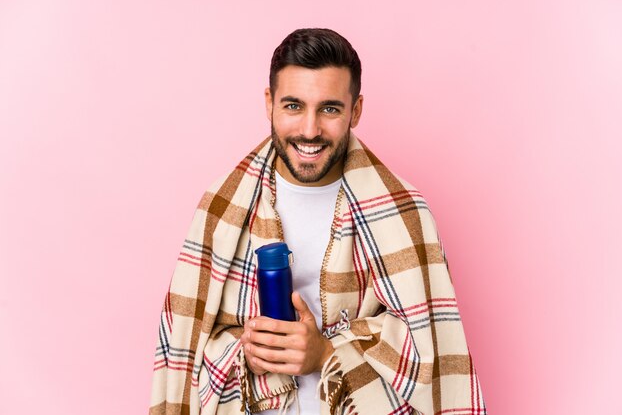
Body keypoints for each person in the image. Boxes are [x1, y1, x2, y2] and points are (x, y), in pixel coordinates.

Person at [150, 28, 486, 415]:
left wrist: (326, 352)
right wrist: (248, 349)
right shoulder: (221, 210)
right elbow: (184, 347)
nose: (310, 130)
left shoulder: (404, 212)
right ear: (269, 103)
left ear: (355, 110)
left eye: (329, 108)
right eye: (293, 106)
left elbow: (433, 352)